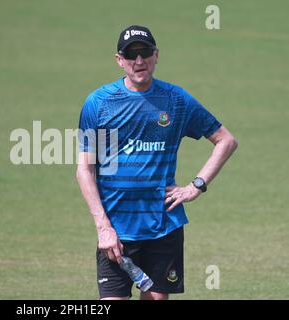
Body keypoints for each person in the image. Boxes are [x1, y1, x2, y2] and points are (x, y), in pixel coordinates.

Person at [76, 25, 238, 300]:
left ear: (156, 55)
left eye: (145, 53)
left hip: (163, 226)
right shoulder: (99, 103)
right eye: (131, 55)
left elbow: (226, 140)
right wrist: (103, 227)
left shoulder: (176, 100)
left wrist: (196, 186)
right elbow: (85, 169)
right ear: (119, 60)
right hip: (116, 228)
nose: (139, 61)